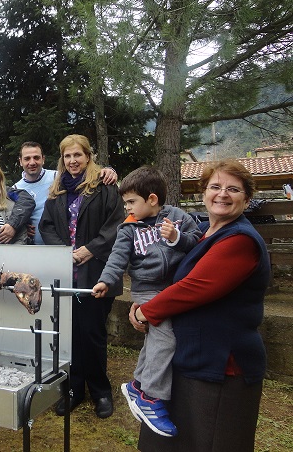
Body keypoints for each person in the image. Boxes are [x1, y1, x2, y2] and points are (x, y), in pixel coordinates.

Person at [130, 159, 270, 451]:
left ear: (247, 199)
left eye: (233, 189)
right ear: (203, 193)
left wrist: (146, 312)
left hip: (219, 367)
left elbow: (193, 288)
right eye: (215, 186)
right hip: (188, 358)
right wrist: (143, 305)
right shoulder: (203, 233)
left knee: (211, 441)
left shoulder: (240, 241)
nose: (222, 194)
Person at [92, 166, 201, 436]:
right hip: (146, 290)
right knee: (166, 338)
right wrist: (105, 281)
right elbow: (117, 258)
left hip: (173, 286)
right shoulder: (128, 228)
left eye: (131, 202)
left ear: (152, 199)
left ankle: (138, 385)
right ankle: (151, 396)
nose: (127, 208)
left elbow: (197, 242)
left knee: (156, 339)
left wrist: (176, 238)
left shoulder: (177, 217)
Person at [38, 134, 124, 418]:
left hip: (96, 272)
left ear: (88, 156)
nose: (73, 161)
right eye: (67, 156)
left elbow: (116, 224)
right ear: (62, 160)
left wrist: (91, 249)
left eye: (78, 155)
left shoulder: (104, 186)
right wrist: (64, 252)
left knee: (93, 333)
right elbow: (46, 226)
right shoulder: (57, 191)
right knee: (70, 335)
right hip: (67, 275)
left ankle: (100, 391)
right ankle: (73, 389)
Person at [13, 141, 118, 244]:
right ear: (20, 161)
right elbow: (13, 216)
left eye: (36, 157)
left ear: (43, 159)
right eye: (27, 159)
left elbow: (113, 221)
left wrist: (109, 171)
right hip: (42, 248)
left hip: (88, 249)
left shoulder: (57, 178)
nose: (32, 162)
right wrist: (21, 228)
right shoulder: (16, 189)